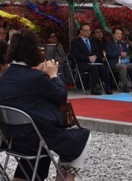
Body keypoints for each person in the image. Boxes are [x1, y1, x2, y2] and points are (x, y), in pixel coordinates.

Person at [0, 29, 91, 181]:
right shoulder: (36, 77)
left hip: (14, 139)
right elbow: (61, 96)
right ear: (33, 51)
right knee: (83, 135)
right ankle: (64, 178)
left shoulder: (5, 76)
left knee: (41, 141)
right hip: (37, 139)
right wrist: (53, 75)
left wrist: (41, 75)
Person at [70, 24, 112, 95]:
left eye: (89, 30)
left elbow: (99, 52)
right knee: (93, 68)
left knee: (104, 67)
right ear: (81, 31)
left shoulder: (93, 41)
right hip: (82, 63)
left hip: (94, 62)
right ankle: (94, 88)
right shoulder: (76, 42)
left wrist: (95, 56)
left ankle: (107, 87)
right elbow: (76, 54)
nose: (88, 32)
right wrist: (88, 58)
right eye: (86, 30)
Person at [104, 27, 132, 92]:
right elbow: (109, 54)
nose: (119, 35)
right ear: (113, 35)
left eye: (121, 34)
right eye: (118, 34)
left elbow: (127, 52)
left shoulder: (123, 43)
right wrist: (119, 54)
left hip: (124, 62)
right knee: (123, 67)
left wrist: (125, 54)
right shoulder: (108, 43)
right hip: (114, 63)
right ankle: (125, 86)